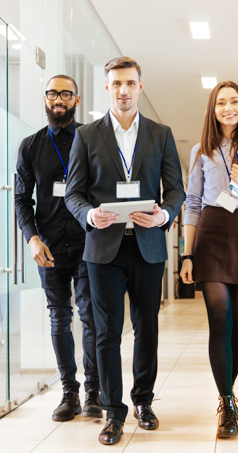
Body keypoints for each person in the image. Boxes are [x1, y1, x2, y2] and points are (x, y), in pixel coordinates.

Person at [64, 56, 185, 446]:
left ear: (140, 86)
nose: (123, 90)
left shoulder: (161, 134)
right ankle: (113, 412)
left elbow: (176, 191)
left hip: (148, 246)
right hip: (104, 249)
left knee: (147, 328)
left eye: (130, 83)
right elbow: (73, 194)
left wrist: (165, 214)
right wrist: (90, 214)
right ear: (106, 87)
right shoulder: (87, 136)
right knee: (106, 332)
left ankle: (143, 402)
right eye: (116, 83)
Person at [180, 81, 238, 438]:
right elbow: (191, 203)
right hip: (212, 230)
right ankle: (227, 403)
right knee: (219, 317)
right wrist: (187, 254)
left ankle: (228, 390)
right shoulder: (202, 151)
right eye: (221, 103)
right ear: (213, 109)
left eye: (234, 101)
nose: (228, 108)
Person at [15, 75, 101, 421]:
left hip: (86, 242)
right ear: (46, 98)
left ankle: (94, 390)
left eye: (66, 93)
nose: (58, 99)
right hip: (48, 246)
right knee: (58, 318)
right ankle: (69, 392)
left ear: (76, 100)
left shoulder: (92, 140)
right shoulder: (30, 145)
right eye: (52, 93)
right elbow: (22, 199)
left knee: (90, 316)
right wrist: (32, 238)